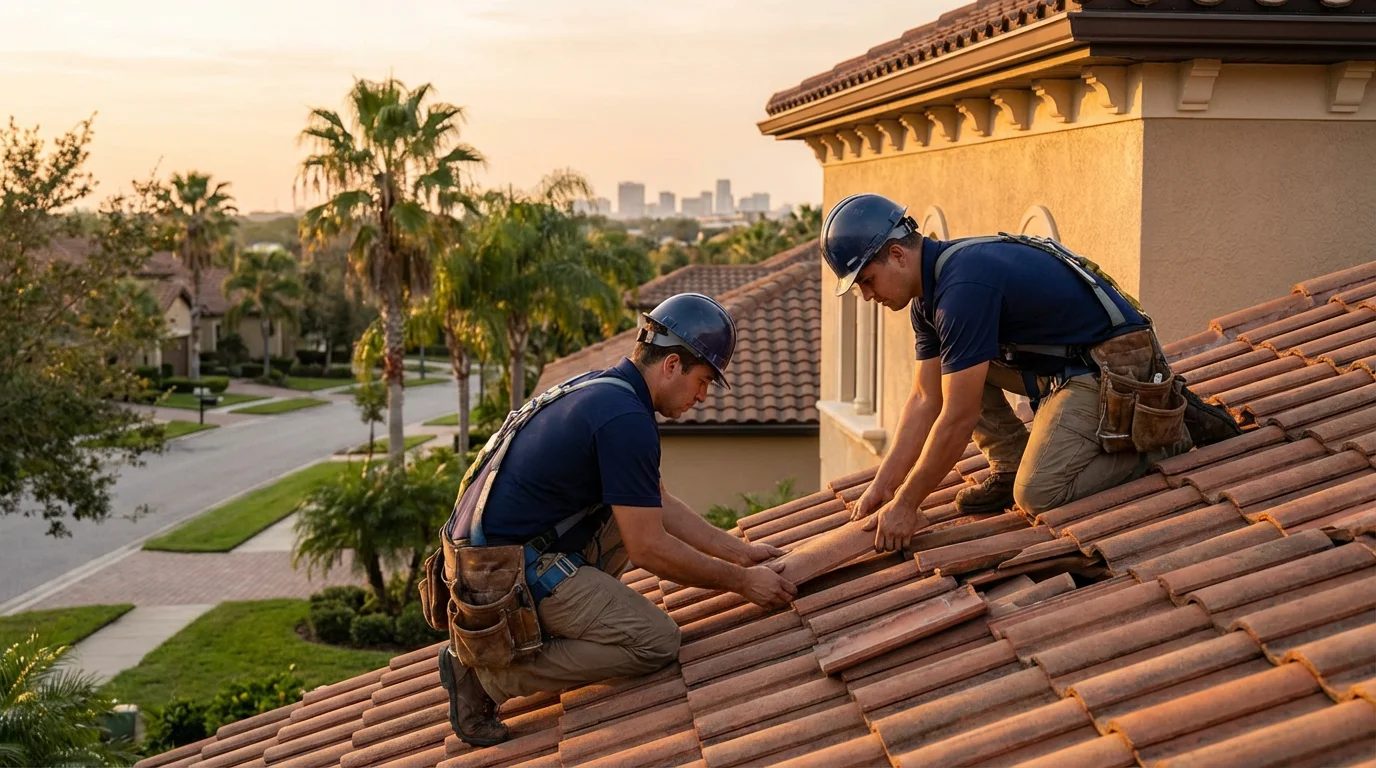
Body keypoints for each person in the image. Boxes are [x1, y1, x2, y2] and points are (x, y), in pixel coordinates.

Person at [434, 292, 796, 746]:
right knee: (656, 642)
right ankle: (486, 679)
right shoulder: (625, 418)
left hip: (493, 560)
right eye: (703, 380)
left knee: (634, 507)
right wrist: (743, 584)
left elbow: (656, 504)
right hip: (503, 577)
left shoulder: (606, 390)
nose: (703, 396)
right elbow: (648, 548)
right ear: (671, 366)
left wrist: (741, 554)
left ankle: (552, 622)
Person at [820, 193, 1241, 552]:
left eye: (867, 280)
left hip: (1110, 367)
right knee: (961, 370)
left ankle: (1167, 435)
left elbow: (958, 416)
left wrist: (909, 504)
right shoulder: (928, 300)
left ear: (897, 255)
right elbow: (926, 399)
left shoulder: (962, 290)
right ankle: (1010, 463)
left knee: (1039, 494)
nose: (867, 295)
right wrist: (884, 487)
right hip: (1065, 366)